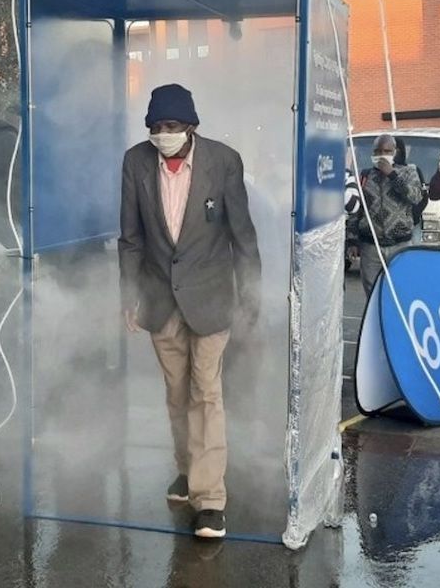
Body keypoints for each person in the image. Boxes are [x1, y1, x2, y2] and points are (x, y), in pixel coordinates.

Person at [118, 83, 261, 540]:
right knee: (176, 395)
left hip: (213, 297)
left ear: (191, 127)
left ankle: (210, 499)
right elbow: (131, 238)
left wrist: (250, 296)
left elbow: (243, 233)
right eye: (157, 127)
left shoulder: (223, 161)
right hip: (161, 299)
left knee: (206, 393)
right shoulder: (135, 162)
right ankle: (187, 471)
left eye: (173, 127)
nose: (164, 135)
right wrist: (129, 297)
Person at [350, 135, 423, 298]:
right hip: (371, 246)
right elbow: (357, 208)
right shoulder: (365, 176)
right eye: (378, 151)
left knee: (400, 290)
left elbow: (416, 197)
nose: (382, 154)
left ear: (395, 152)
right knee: (373, 292)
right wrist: (352, 239)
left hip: (400, 244)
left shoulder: (408, 172)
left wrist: (392, 175)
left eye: (387, 151)